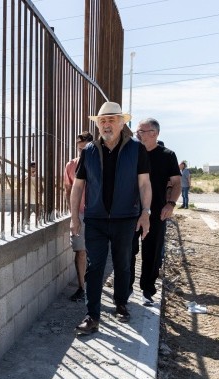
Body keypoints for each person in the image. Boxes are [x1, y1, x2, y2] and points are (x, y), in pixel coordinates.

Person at [70, 102, 151, 332]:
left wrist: (146, 213)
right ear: (98, 124)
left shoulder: (137, 149)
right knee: (94, 267)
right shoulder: (89, 151)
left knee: (123, 264)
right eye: (102, 121)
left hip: (126, 218)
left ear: (122, 123)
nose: (107, 125)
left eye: (112, 120)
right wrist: (74, 217)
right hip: (95, 218)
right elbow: (78, 186)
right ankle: (92, 315)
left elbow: (144, 184)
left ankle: (121, 304)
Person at [129, 118, 181, 307]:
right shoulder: (132, 153)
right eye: (136, 131)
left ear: (154, 133)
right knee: (128, 250)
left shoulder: (167, 155)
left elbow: (176, 183)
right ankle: (127, 288)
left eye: (141, 131)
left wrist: (171, 204)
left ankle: (147, 291)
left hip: (157, 213)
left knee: (152, 252)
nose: (137, 135)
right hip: (131, 211)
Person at [65, 131, 94, 302]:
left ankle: (93, 287)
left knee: (95, 252)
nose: (81, 152)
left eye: (85, 149)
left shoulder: (100, 163)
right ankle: (81, 287)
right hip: (81, 214)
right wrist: (73, 214)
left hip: (98, 214)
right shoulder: (71, 166)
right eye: (79, 149)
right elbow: (68, 191)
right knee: (80, 251)